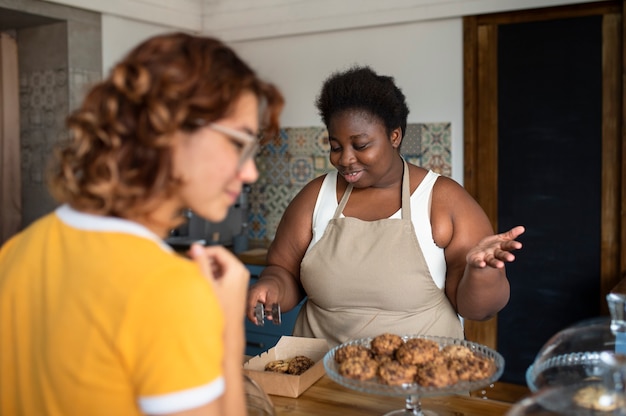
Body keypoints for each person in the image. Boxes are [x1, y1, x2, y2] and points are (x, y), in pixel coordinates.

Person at [0, 32, 283, 416]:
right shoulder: (171, 291)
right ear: (168, 129)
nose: (249, 172)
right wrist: (227, 331)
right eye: (239, 144)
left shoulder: (17, 250)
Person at [247, 65, 524, 347]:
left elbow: (480, 310)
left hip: (418, 379)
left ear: (394, 136)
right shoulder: (315, 197)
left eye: (361, 145)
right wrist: (272, 287)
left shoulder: (443, 200)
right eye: (336, 146)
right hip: (319, 378)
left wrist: (482, 273)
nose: (345, 159)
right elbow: (282, 270)